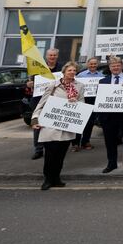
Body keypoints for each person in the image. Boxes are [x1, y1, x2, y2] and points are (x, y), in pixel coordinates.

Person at [31, 61, 84, 190]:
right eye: (69, 70)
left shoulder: (80, 86)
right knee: (50, 154)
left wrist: (75, 102)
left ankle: (56, 178)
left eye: (74, 71)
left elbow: (82, 103)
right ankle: (47, 179)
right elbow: (41, 103)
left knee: (60, 155)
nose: (72, 72)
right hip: (51, 125)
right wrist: (34, 119)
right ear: (64, 72)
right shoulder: (53, 85)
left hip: (67, 126)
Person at [25, 48, 60, 160]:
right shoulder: (37, 68)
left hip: (55, 101)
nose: (52, 57)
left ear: (57, 56)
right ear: (46, 56)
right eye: (50, 55)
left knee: (53, 125)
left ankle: (52, 149)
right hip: (38, 101)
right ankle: (38, 150)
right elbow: (29, 86)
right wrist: (29, 84)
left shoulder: (62, 69)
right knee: (38, 125)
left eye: (54, 55)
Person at [72, 57, 102, 151]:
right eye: (91, 64)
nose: (93, 65)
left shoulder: (101, 76)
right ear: (87, 64)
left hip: (93, 101)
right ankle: (75, 143)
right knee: (78, 122)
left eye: (95, 64)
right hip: (82, 100)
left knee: (89, 123)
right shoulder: (80, 75)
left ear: (97, 65)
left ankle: (86, 142)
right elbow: (75, 87)